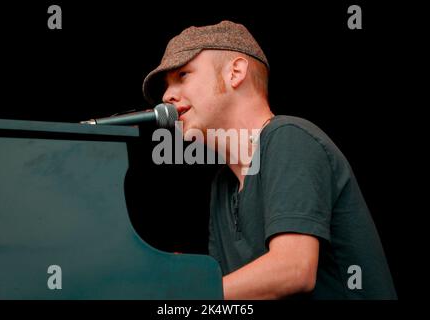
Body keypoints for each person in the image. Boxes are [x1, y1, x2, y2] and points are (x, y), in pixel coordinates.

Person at [142, 20, 397, 299]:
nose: (167, 96)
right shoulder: (223, 185)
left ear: (235, 72)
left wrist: (192, 294)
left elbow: (294, 269)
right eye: (166, 86)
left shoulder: (289, 138)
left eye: (183, 75)